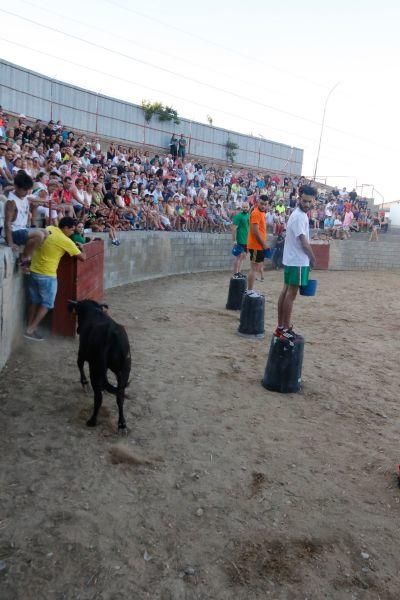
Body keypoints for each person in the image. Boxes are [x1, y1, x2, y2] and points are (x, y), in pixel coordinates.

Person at [25, 216, 86, 341]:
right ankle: (30, 330)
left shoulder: (49, 228)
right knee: (47, 304)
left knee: (34, 301)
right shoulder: (65, 240)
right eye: (71, 230)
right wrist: (82, 247)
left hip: (34, 271)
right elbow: (83, 257)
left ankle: (28, 327)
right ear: (65, 228)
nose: (72, 232)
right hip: (47, 275)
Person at [275, 185, 316, 344]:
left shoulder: (298, 214)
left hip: (292, 259)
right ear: (299, 198)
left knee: (286, 292)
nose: (306, 204)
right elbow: (304, 242)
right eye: (304, 201)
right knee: (290, 295)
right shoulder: (300, 216)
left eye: (309, 201)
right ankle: (285, 329)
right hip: (298, 260)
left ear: (313, 201)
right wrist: (312, 258)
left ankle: (281, 328)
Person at [4, 170, 47, 271]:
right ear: (16, 187)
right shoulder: (11, 202)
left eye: (28, 190)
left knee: (45, 232)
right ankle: (24, 258)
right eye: (24, 190)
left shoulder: (24, 196)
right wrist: (10, 243)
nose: (26, 192)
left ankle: (25, 256)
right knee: (39, 235)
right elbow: (7, 223)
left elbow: (34, 199)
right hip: (14, 232)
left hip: (21, 229)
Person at [246, 195, 269, 291]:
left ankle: (250, 289)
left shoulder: (261, 212)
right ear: (257, 203)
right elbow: (255, 231)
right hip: (256, 245)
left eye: (265, 204)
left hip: (258, 245)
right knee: (254, 268)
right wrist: (263, 244)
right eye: (261, 204)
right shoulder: (256, 213)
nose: (263, 206)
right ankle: (249, 290)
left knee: (256, 267)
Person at [231, 201, 250, 275]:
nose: (245, 208)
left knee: (243, 257)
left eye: (246, 207)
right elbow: (233, 228)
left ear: (248, 208)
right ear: (242, 208)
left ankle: (239, 272)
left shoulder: (248, 216)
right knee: (239, 257)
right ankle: (236, 273)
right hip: (240, 240)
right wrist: (234, 240)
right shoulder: (238, 216)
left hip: (247, 241)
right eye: (244, 207)